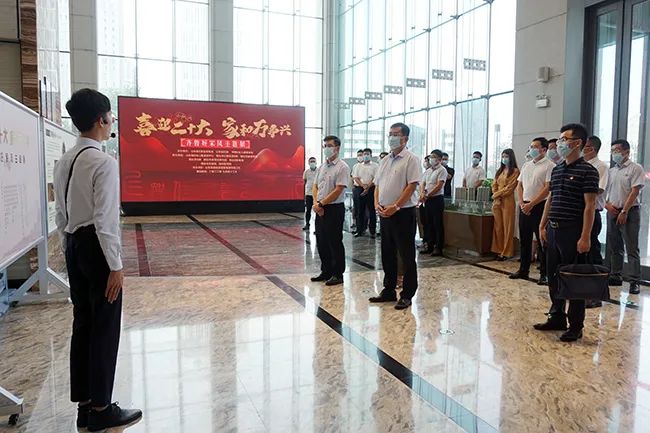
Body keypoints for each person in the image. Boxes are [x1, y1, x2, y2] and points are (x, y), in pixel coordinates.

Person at [53, 89, 142, 431]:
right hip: (96, 250)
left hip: (75, 245)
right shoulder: (103, 162)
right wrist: (115, 267)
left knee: (83, 324)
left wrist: (69, 250)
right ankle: (102, 409)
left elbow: (61, 215)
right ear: (101, 120)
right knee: (105, 328)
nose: (112, 122)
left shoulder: (65, 160)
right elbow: (105, 221)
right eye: (110, 117)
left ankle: (85, 405)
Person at [534, 123, 599, 342]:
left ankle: (576, 325)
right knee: (553, 276)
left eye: (564, 139)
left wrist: (585, 236)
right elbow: (550, 199)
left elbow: (590, 206)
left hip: (573, 231)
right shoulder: (558, 169)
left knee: (574, 279)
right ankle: (556, 316)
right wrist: (542, 225)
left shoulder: (588, 171)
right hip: (553, 230)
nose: (560, 143)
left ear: (577, 143)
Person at [368, 122, 421, 310]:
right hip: (384, 213)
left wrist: (396, 206)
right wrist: (377, 203)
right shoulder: (384, 160)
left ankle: (407, 294)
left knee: (406, 255)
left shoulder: (411, 159)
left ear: (405, 138)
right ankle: (388, 289)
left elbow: (412, 186)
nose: (391, 137)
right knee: (387, 253)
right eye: (390, 134)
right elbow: (378, 185)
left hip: (403, 213)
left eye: (396, 134)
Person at [509, 138, 553, 284]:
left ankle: (544, 273)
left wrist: (532, 204)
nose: (531, 149)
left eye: (535, 147)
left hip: (540, 206)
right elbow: (519, 185)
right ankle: (523, 269)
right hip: (524, 205)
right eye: (531, 146)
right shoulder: (527, 165)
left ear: (544, 149)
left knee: (542, 241)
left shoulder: (550, 165)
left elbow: (547, 188)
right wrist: (522, 202)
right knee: (524, 239)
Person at [605, 139, 645, 295]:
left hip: (629, 212)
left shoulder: (636, 168)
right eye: (612, 151)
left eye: (617, 150)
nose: (614, 153)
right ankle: (616, 275)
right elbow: (605, 192)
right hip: (612, 211)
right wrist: (607, 205)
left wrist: (624, 211)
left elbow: (635, 191)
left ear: (626, 152)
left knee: (632, 247)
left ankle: (634, 281)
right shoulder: (612, 171)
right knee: (615, 247)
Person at [311, 135, 350, 286]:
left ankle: (337, 274)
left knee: (334, 241)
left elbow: (339, 189)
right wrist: (316, 203)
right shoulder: (322, 167)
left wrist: (322, 203)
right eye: (325, 146)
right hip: (320, 207)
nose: (326, 148)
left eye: (329, 145)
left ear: (337, 148)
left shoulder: (342, 167)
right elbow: (315, 186)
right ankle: (326, 271)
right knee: (321, 241)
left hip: (334, 208)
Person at [583, 136, 609, 308]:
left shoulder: (600, 166)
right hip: (579, 214)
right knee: (582, 256)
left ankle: (596, 295)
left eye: (585, 146)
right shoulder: (581, 165)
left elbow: (598, 189)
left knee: (593, 254)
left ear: (592, 148)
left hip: (593, 213)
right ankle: (582, 292)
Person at [491, 149, 520, 261]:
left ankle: (507, 252)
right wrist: (496, 195)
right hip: (497, 202)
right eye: (503, 156)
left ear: (511, 157)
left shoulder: (515, 171)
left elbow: (509, 188)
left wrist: (497, 194)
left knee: (508, 227)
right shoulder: (500, 171)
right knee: (498, 227)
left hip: (508, 201)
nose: (504, 158)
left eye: (506, 156)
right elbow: (494, 184)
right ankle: (498, 249)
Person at [422, 149, 448, 256]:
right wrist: (422, 194)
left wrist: (428, 195)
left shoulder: (442, 170)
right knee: (428, 223)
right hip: (427, 200)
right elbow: (423, 183)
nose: (431, 159)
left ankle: (438, 247)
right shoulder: (428, 171)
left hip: (437, 199)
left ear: (439, 159)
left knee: (437, 224)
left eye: (434, 157)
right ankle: (429, 245)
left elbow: (439, 186)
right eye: (431, 157)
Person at [352, 148, 379, 238]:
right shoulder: (358, 166)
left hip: (371, 189)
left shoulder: (375, 166)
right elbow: (355, 177)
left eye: (367, 154)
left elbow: (376, 178)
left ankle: (372, 231)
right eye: (364, 154)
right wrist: (363, 186)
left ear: (371, 155)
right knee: (360, 210)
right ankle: (360, 230)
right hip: (360, 188)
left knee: (371, 211)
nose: (365, 155)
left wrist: (368, 187)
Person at [417, 156, 431, 247]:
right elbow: (421, 184)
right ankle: (425, 239)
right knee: (423, 221)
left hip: (429, 199)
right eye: (425, 161)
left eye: (427, 161)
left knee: (428, 222)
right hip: (422, 200)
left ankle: (429, 241)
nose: (425, 163)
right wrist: (421, 194)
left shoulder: (437, 171)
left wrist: (425, 195)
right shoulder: (425, 172)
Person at [303, 156, 317, 231]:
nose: (312, 163)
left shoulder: (319, 171)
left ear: (316, 162)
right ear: (308, 163)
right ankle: (307, 224)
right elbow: (305, 181)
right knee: (308, 210)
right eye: (311, 161)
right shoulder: (306, 172)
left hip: (317, 194)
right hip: (308, 194)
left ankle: (317, 228)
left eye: (313, 161)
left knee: (317, 210)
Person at [351, 149, 364, 231]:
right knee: (356, 208)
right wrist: (353, 187)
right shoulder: (355, 166)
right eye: (358, 155)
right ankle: (358, 227)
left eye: (361, 155)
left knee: (365, 209)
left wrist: (365, 186)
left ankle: (364, 226)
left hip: (366, 188)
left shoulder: (369, 166)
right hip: (357, 188)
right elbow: (353, 177)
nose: (360, 157)